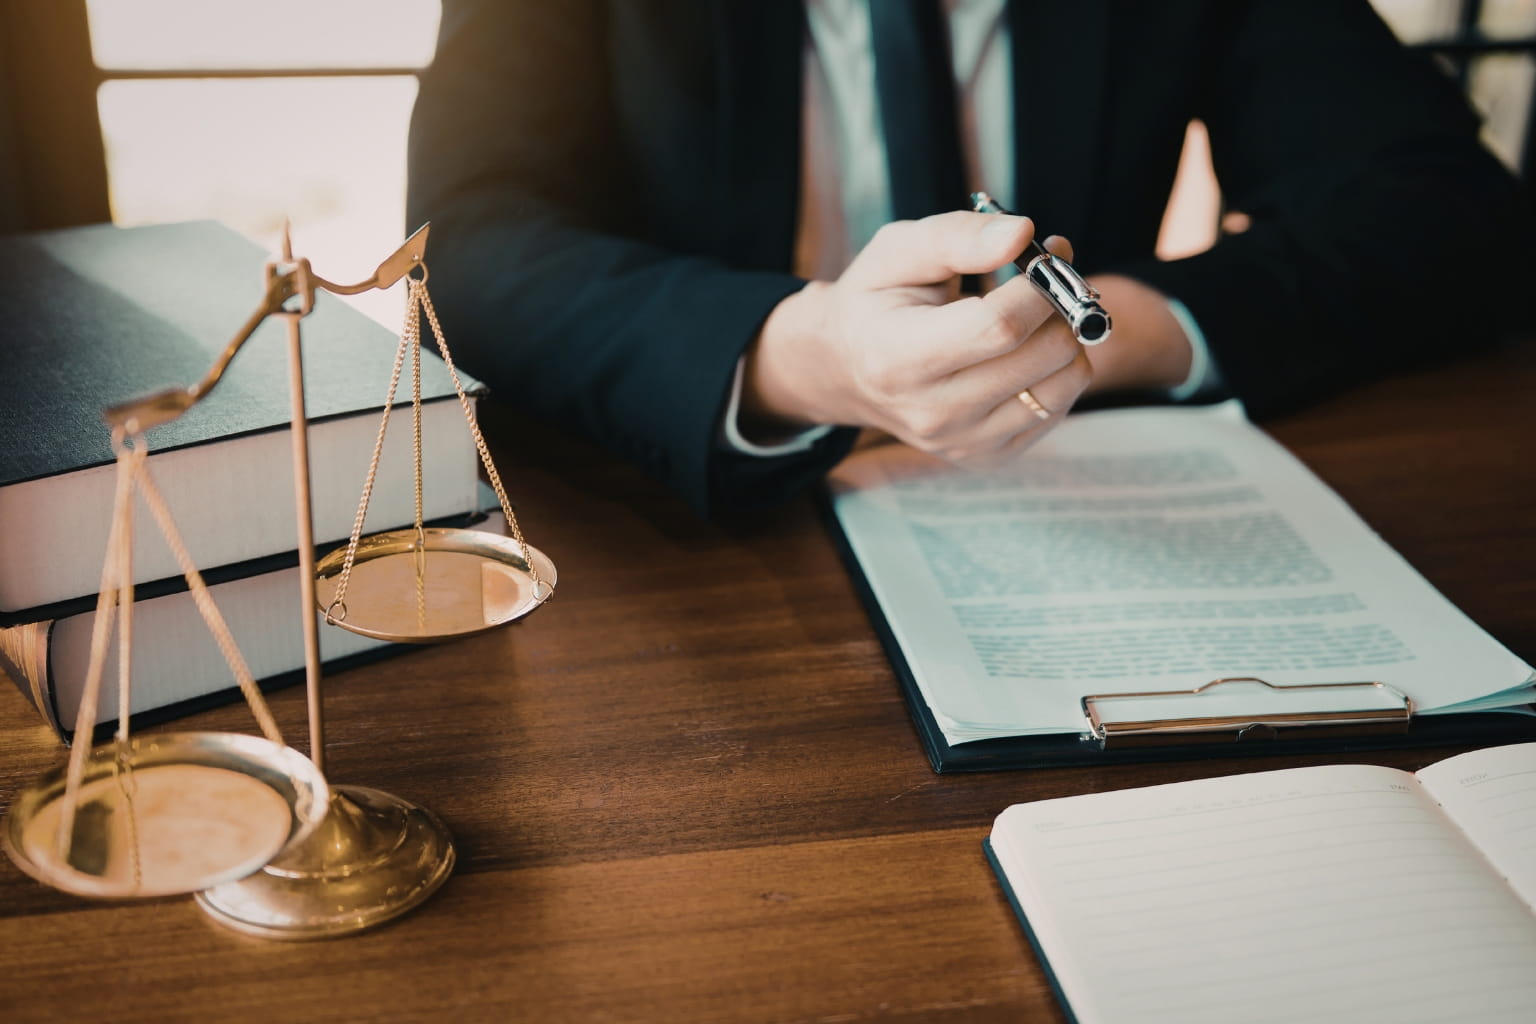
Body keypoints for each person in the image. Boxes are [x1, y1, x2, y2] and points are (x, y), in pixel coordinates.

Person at [406, 0, 1534, 519]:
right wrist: (799, 358)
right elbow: (467, 246)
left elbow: (1450, 211)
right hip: (691, 535)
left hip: (1076, 494)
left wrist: (1128, 329)